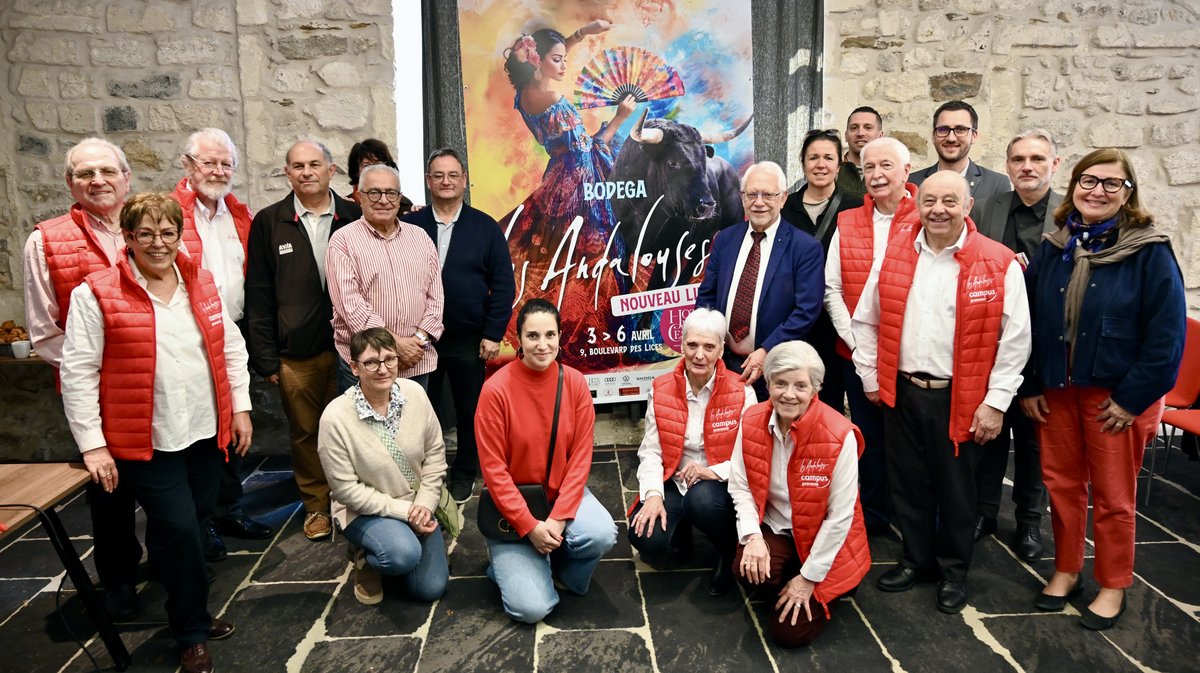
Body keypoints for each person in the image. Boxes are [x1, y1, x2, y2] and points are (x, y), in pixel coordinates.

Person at [59, 193, 251, 673]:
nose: (159, 243)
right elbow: (78, 372)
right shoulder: (96, 293)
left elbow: (231, 349)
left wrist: (241, 410)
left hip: (206, 432)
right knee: (183, 530)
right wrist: (93, 445)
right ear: (127, 238)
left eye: (168, 232)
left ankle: (183, 604)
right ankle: (190, 629)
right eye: (145, 233)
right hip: (147, 441)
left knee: (188, 523)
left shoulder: (200, 284)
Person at [852, 171, 1030, 614]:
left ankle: (953, 572)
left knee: (956, 492)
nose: (938, 209)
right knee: (908, 485)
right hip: (904, 391)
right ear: (917, 204)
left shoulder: (998, 261)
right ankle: (916, 561)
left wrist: (995, 405)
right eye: (929, 200)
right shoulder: (894, 254)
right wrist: (871, 377)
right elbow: (866, 320)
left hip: (962, 398)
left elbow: (1016, 341)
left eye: (950, 201)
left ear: (968, 207)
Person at [1021, 148, 1185, 629]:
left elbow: (1166, 336)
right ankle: (1067, 569)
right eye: (1088, 181)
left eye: (1111, 184)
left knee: (1114, 496)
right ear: (1073, 187)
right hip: (1057, 390)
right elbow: (1029, 322)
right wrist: (1031, 384)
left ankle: (1114, 583)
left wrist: (1132, 399)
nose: (1097, 191)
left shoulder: (1149, 250)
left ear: (1128, 194)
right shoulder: (1055, 247)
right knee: (1062, 486)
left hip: (1114, 397)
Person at [22, 137, 142, 620]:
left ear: (126, 177)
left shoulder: (150, 226)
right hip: (96, 391)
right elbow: (43, 330)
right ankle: (119, 580)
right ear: (70, 183)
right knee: (109, 489)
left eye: (107, 171)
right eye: (85, 173)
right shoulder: (46, 240)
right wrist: (93, 373)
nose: (98, 180)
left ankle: (178, 566)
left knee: (173, 481)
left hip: (159, 379)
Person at [499, 23, 637, 369]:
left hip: (556, 181)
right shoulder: (557, 103)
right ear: (538, 62)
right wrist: (620, 118)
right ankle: (609, 336)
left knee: (561, 263)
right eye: (558, 60)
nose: (564, 66)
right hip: (580, 186)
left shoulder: (525, 94)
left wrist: (579, 35)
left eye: (564, 58)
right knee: (600, 258)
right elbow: (595, 147)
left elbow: (549, 62)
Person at [245, 139, 362, 542]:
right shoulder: (269, 221)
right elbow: (258, 292)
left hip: (353, 350)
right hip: (296, 355)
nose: (306, 172)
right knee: (306, 433)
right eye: (298, 166)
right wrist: (264, 357)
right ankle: (316, 507)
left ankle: (351, 503)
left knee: (353, 430)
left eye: (315, 164)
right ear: (287, 173)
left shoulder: (354, 214)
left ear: (332, 171)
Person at [475, 299, 617, 624]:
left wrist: (558, 519)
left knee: (601, 534)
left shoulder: (575, 383)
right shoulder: (495, 391)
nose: (543, 345)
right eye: (533, 336)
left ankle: (557, 571)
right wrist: (530, 526)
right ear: (519, 339)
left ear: (559, 335)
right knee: (530, 610)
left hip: (560, 498)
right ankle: (514, 568)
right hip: (515, 509)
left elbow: (581, 458)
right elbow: (494, 472)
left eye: (550, 335)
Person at [169, 127, 275, 562]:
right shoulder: (172, 214)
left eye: (225, 164)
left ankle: (230, 510)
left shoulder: (238, 216)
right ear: (187, 165)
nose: (217, 171)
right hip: (191, 335)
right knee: (199, 433)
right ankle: (203, 522)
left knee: (234, 424)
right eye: (208, 162)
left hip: (236, 329)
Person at [728, 340, 870, 648]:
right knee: (746, 568)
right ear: (768, 384)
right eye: (780, 383)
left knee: (788, 635)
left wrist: (809, 579)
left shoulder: (839, 434)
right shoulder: (751, 419)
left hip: (825, 540)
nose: (789, 394)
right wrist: (753, 538)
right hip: (779, 528)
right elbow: (740, 486)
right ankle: (786, 569)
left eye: (800, 385)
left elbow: (840, 516)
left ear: (816, 388)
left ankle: (824, 581)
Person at [402, 148, 515, 501]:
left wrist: (493, 333)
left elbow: (503, 283)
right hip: (419, 340)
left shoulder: (484, 227)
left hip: (469, 339)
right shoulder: (411, 226)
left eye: (453, 175)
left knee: (469, 412)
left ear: (464, 180)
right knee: (421, 411)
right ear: (428, 181)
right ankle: (426, 474)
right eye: (438, 175)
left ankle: (465, 470)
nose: (446, 181)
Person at [971, 129, 1063, 561]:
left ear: (1054, 165)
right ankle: (983, 514)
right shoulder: (989, 208)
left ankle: (1029, 521)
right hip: (989, 345)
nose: (1027, 166)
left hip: (1044, 348)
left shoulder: (1070, 214)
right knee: (987, 439)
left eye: (1037, 159)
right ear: (1007, 165)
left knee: (1032, 444)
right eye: (1019, 159)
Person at [317, 328, 453, 606]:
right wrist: (404, 512)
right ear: (354, 367)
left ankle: (398, 546)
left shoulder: (415, 393)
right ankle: (366, 556)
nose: (383, 369)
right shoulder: (335, 418)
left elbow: (436, 453)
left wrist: (425, 504)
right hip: (365, 512)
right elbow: (345, 490)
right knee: (401, 555)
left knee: (430, 589)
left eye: (390, 359)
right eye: (371, 362)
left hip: (416, 503)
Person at [825, 137, 919, 536]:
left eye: (886, 166)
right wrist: (859, 346)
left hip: (912, 359)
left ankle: (915, 523)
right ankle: (876, 519)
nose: (877, 175)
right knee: (871, 443)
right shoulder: (847, 221)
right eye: (869, 168)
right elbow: (832, 291)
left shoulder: (927, 217)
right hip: (855, 357)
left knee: (913, 448)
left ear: (906, 171)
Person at [628, 308, 756, 595]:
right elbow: (650, 451)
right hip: (675, 479)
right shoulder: (660, 389)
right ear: (681, 345)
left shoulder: (742, 391)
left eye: (709, 347)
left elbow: (748, 456)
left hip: (718, 485)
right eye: (692, 345)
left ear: (722, 350)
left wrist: (711, 472)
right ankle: (681, 530)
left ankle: (726, 552)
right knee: (644, 536)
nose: (700, 355)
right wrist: (652, 496)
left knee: (702, 501)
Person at [696, 161, 825, 400]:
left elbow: (806, 310)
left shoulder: (805, 248)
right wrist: (711, 345)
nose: (759, 202)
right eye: (751, 194)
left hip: (777, 367)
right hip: (724, 365)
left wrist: (766, 350)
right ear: (742, 197)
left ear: (783, 198)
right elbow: (707, 297)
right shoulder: (725, 240)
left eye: (768, 194)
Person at [328, 164, 444, 393]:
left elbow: (436, 297)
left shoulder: (420, 238)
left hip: (416, 362)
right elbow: (351, 307)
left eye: (391, 193)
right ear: (359, 196)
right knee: (365, 429)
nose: (383, 200)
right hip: (367, 366)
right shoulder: (342, 241)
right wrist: (396, 345)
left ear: (399, 198)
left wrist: (418, 340)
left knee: (413, 427)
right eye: (374, 192)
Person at [781, 129, 865, 418]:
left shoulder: (856, 208)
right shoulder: (784, 207)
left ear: (839, 166)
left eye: (828, 158)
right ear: (803, 163)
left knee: (831, 405)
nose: (821, 164)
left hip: (839, 326)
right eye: (813, 157)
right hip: (794, 322)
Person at [908, 100, 1009, 222]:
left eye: (960, 129)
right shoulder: (911, 183)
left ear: (974, 135)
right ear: (933, 136)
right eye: (943, 129)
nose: (951, 138)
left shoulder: (996, 185)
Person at [346, 138, 413, 214]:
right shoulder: (345, 206)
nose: (373, 169)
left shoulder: (403, 205)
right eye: (366, 165)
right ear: (356, 171)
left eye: (378, 164)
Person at [835, 107, 885, 198]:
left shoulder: (890, 174)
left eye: (868, 127)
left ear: (880, 136)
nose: (860, 133)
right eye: (854, 128)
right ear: (846, 136)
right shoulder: (832, 172)